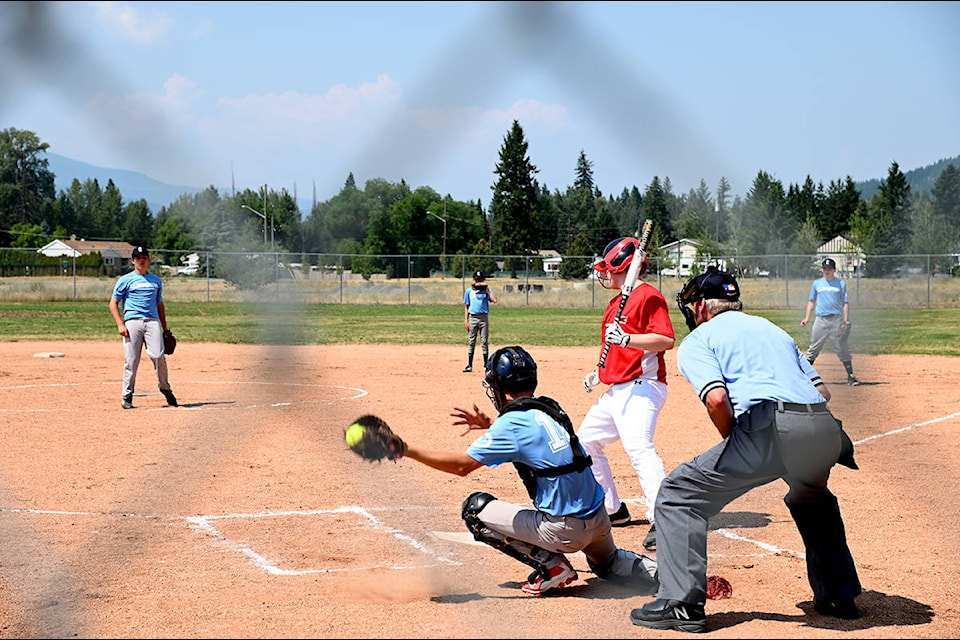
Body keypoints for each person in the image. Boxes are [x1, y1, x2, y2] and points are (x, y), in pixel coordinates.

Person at [630, 266, 861, 633]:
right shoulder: (772, 329)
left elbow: (717, 398)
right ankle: (839, 595)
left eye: (693, 305)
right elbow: (822, 393)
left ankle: (682, 605)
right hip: (823, 429)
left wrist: (736, 440)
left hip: (770, 428)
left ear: (703, 306)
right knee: (811, 496)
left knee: (677, 495)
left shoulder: (699, 340)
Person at [402, 345, 659, 596]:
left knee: (475, 510)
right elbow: (533, 439)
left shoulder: (511, 424)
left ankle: (552, 566)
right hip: (599, 519)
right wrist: (492, 425)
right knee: (608, 563)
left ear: (499, 387)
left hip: (565, 530)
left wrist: (406, 449)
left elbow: (462, 466)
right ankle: (674, 576)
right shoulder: (549, 408)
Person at [577, 236, 675, 551]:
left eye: (608, 268)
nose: (604, 274)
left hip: (644, 385)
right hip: (618, 387)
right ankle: (612, 509)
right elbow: (613, 347)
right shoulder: (615, 303)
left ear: (624, 267)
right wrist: (599, 371)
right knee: (586, 442)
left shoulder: (648, 296)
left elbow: (665, 340)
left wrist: (629, 338)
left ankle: (664, 518)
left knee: (638, 448)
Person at [109, 245, 178, 410]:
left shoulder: (156, 280)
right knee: (132, 360)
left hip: (152, 321)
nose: (142, 260)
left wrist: (165, 329)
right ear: (133, 261)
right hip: (132, 321)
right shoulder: (125, 280)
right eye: (138, 258)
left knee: (159, 356)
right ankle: (127, 395)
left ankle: (165, 387)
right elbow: (113, 303)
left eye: (144, 257)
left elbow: (160, 304)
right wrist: (120, 324)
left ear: (148, 260)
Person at [801, 257, 860, 386]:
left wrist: (846, 320)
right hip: (820, 320)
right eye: (824, 268)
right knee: (813, 349)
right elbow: (811, 302)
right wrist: (807, 318)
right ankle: (803, 377)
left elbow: (845, 303)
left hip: (836, 320)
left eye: (829, 268)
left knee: (842, 348)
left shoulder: (841, 284)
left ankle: (851, 376)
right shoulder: (817, 284)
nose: (826, 271)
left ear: (834, 270)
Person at [461, 271, 498, 372]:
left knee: (484, 341)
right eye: (477, 280)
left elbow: (494, 300)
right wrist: (466, 320)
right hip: (473, 318)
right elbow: (467, 306)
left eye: (480, 280)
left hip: (483, 318)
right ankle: (469, 365)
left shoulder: (487, 291)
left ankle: (486, 365)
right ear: (473, 280)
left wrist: (487, 291)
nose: (479, 282)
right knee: (471, 341)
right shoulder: (469, 291)